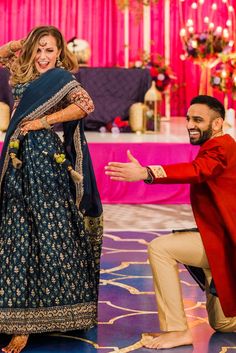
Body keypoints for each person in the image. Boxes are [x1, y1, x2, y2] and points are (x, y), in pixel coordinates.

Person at [0, 26, 103, 353]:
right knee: (17, 232)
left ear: (60, 53)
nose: (44, 56)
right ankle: (19, 320)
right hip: (17, 158)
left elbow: (86, 104)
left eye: (50, 50)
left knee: (50, 230)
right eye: (39, 49)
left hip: (45, 160)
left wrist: (43, 121)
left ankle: (51, 315)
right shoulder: (22, 73)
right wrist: (23, 43)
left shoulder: (61, 78)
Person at [105, 95, 236, 349]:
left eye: (198, 120)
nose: (190, 124)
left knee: (161, 247)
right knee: (223, 323)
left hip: (221, 241)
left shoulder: (222, 147)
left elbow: (197, 171)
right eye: (188, 119)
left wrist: (147, 172)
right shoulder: (218, 146)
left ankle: (177, 330)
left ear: (218, 123)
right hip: (216, 239)